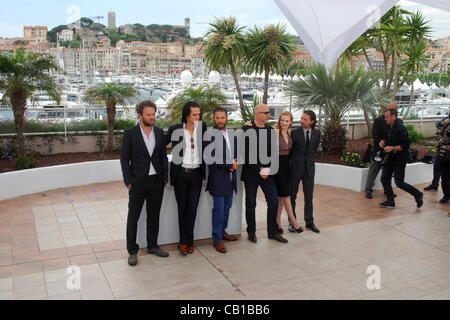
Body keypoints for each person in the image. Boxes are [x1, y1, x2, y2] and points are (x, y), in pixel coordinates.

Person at [120, 100, 169, 267]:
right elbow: (124, 160)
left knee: (153, 216)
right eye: (148, 114)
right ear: (140, 115)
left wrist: (165, 177)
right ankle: (132, 251)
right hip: (137, 182)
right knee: (133, 217)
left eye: (154, 114)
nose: (152, 117)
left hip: (156, 181)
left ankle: (153, 245)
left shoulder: (159, 132)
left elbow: (163, 156)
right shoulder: (130, 133)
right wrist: (129, 182)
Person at [241, 104, 288, 244]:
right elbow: (245, 153)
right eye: (266, 112)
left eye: (269, 112)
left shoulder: (271, 131)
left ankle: (272, 232)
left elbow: (274, 153)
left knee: (273, 201)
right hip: (251, 174)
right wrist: (259, 169)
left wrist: (268, 169)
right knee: (250, 203)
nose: (269, 115)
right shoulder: (246, 129)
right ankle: (251, 232)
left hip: (268, 173)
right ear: (257, 113)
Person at [166, 101, 207, 256]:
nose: (198, 117)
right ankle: (187, 242)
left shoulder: (202, 128)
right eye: (194, 114)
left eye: (199, 114)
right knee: (182, 209)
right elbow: (160, 141)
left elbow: (215, 137)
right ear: (187, 115)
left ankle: (185, 241)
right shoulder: (175, 129)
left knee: (193, 209)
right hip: (180, 174)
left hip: (197, 174)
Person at [206, 107, 239, 254]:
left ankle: (223, 231)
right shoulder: (209, 135)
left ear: (227, 118)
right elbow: (210, 158)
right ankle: (217, 239)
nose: (220, 120)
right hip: (218, 179)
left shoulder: (231, 134)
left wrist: (236, 163)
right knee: (218, 211)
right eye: (217, 118)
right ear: (213, 119)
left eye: (222, 117)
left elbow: (236, 152)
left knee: (227, 208)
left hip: (231, 178)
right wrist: (229, 165)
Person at [379, 109, 423, 209]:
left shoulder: (400, 128)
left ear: (393, 116)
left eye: (387, 117)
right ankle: (390, 201)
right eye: (385, 117)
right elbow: (387, 137)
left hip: (400, 158)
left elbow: (406, 145)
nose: (385, 119)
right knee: (384, 179)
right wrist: (383, 141)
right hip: (390, 157)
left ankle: (418, 195)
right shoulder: (388, 126)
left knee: (399, 182)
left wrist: (393, 148)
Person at [289, 110, 321, 234]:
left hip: (309, 169)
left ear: (312, 122)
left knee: (309, 197)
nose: (302, 121)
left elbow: (313, 150)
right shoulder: (294, 132)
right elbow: (290, 150)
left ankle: (309, 222)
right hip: (295, 169)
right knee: (292, 196)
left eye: (305, 119)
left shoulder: (317, 133)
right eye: (302, 118)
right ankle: (292, 222)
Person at [274, 112, 303, 234]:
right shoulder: (275, 132)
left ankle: (277, 222)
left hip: (288, 167)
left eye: (287, 121)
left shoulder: (291, 133)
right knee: (286, 195)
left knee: (282, 197)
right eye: (282, 120)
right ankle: (294, 221)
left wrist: (314, 127)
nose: (284, 123)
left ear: (291, 122)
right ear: (279, 121)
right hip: (278, 166)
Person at [365, 102, 399, 199]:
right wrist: (382, 142)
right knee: (373, 170)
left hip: (390, 151)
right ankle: (368, 189)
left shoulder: (397, 122)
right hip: (379, 150)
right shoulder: (379, 120)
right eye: (393, 109)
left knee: (388, 172)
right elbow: (375, 135)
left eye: (395, 109)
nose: (395, 111)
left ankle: (387, 190)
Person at [424, 114, 449, 192]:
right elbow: (437, 124)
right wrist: (442, 124)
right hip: (442, 150)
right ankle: (435, 185)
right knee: (437, 166)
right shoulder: (447, 120)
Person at [437, 117, 450, 204]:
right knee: (444, 177)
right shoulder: (446, 124)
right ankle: (446, 195)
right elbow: (438, 131)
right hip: (444, 155)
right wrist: (440, 139)